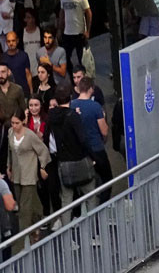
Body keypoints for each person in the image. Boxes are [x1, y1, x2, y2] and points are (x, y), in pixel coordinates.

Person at [6, 109, 50, 251]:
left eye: (17, 123)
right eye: (12, 123)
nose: (14, 126)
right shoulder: (10, 133)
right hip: (17, 174)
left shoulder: (30, 136)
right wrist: (9, 166)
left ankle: (20, 243)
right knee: (27, 203)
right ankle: (37, 222)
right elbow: (10, 151)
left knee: (24, 210)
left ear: (23, 121)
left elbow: (43, 151)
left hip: (29, 173)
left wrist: (43, 167)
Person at [47, 85, 93, 220]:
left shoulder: (52, 117)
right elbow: (83, 139)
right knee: (91, 196)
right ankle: (95, 231)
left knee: (66, 201)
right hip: (80, 161)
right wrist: (93, 157)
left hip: (63, 163)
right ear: (70, 98)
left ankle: (66, 233)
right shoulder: (73, 116)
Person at [70, 76, 111, 203]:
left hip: (78, 151)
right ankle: (102, 205)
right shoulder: (95, 107)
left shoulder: (72, 105)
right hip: (96, 148)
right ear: (91, 89)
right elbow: (104, 131)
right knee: (107, 178)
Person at [57, 0, 91, 68]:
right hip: (68, 33)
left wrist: (87, 31)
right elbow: (62, 13)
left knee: (82, 59)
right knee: (66, 57)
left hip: (79, 33)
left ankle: (84, 78)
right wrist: (60, 29)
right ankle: (73, 78)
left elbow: (88, 13)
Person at [0, 63, 26, 128]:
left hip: (15, 125)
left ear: (8, 72)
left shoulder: (17, 89)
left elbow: (23, 108)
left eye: (3, 72)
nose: (0, 75)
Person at [0, 31, 34, 95]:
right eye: (9, 41)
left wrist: (31, 90)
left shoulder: (24, 55)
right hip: (8, 92)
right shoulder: (3, 57)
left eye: (13, 41)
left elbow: (28, 74)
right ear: (6, 42)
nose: (11, 43)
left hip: (23, 91)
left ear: (17, 41)